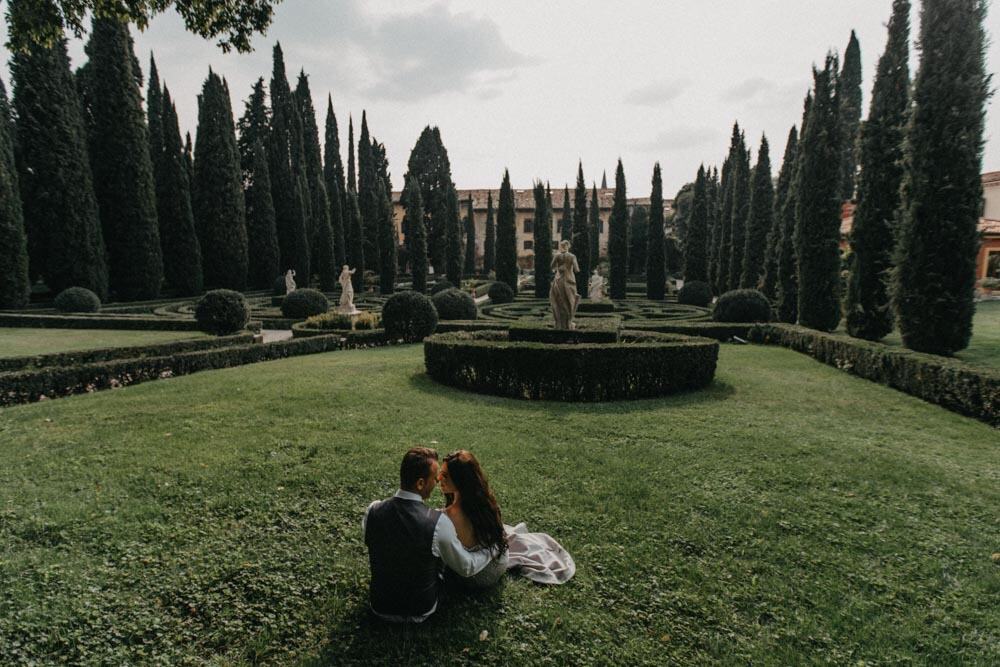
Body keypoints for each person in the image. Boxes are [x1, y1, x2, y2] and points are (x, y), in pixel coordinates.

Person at [363, 447, 494, 623]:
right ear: (420, 484)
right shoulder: (438, 523)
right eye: (434, 478)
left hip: (379, 606)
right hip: (420, 609)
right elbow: (466, 567)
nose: (438, 480)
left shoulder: (373, 510)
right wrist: (490, 551)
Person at [438, 450, 576, 587]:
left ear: (460, 480)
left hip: (476, 577)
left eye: (445, 476)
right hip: (499, 563)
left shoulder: (448, 515)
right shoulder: (483, 502)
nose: (439, 478)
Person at [549, 240, 580, 329]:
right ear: (568, 246)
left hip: (558, 280)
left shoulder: (557, 255)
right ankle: (568, 323)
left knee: (558, 301)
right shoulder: (572, 256)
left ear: (561, 246)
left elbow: (551, 266)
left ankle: (559, 323)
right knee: (570, 300)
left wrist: (558, 268)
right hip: (569, 280)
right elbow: (577, 269)